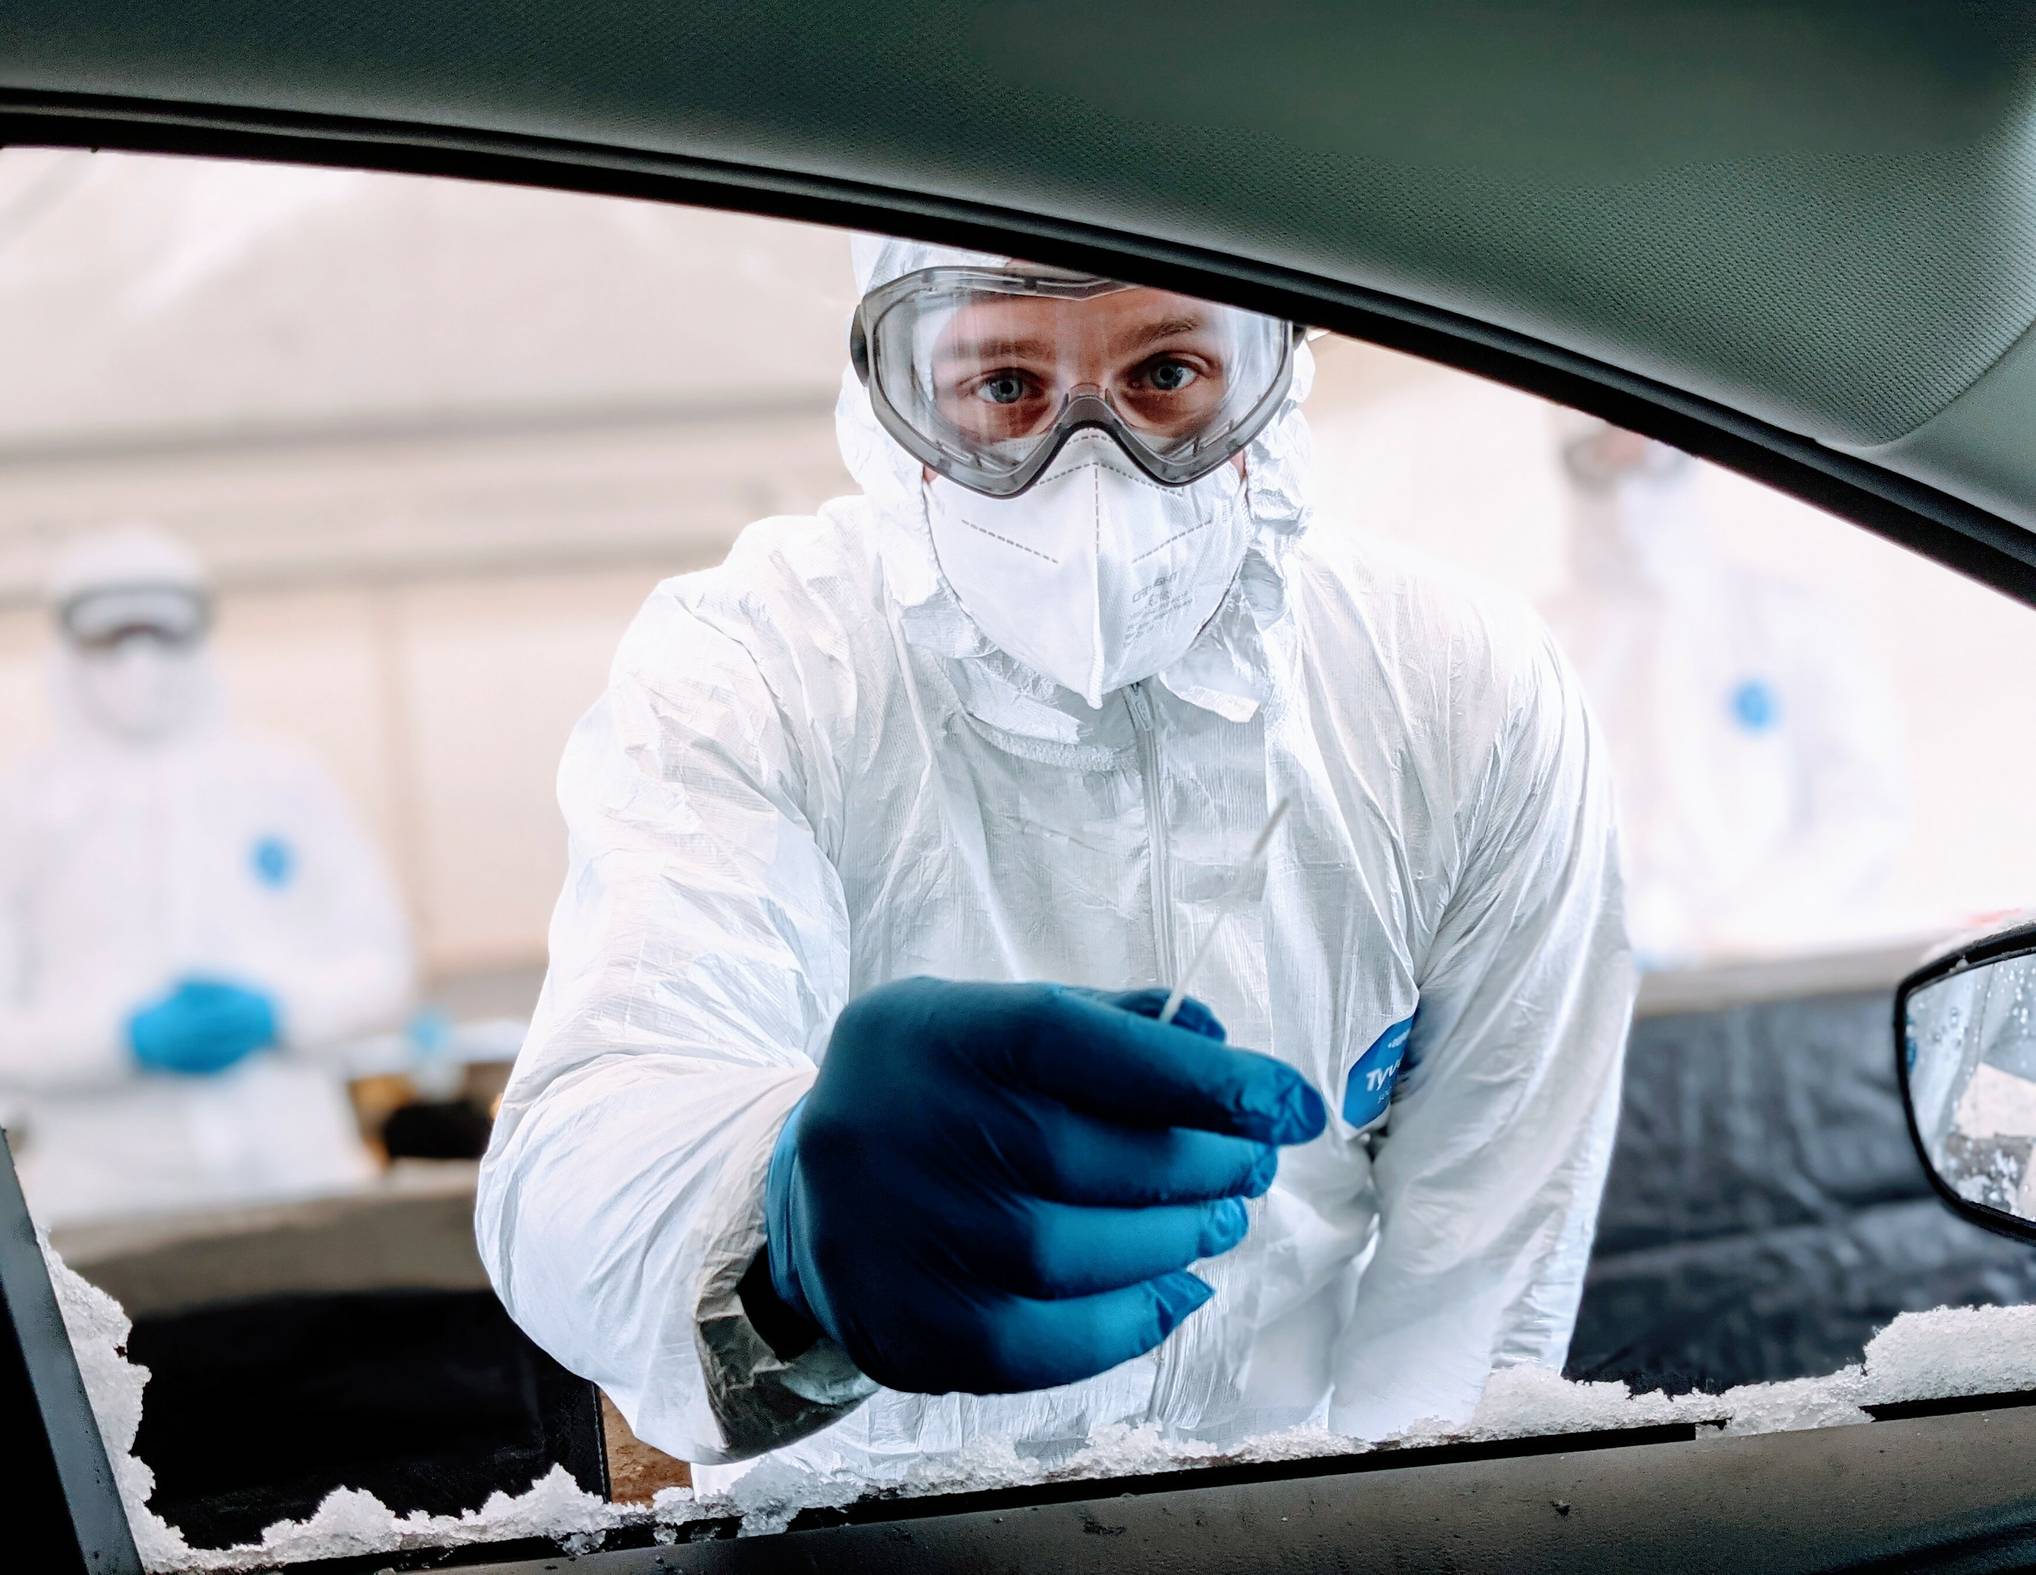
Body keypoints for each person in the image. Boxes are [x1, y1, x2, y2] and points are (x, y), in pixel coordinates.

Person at [476, 237, 1635, 1486]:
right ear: (896, 405)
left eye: (1167, 373)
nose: (1092, 478)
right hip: (860, 1549)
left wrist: (1406, 1541)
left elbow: (1483, 1262)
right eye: (1005, 387)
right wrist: (777, 1212)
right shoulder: (767, 669)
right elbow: (580, 1158)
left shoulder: (1454, 692)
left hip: (1307, 1522)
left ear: (1273, 376)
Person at [0, 525, 414, 1227]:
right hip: (102, 1203)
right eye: (111, 632)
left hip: (303, 1177)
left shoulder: (289, 783)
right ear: (66, 645)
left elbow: (384, 968)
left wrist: (283, 1010)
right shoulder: (5, 812)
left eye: (163, 627)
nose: (140, 658)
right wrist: (115, 1041)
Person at [1542, 418, 1906, 964]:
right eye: (1602, 460)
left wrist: (1750, 930)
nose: (1628, 491)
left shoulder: (1789, 625)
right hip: (1594, 980)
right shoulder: (1540, 649)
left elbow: (1865, 812)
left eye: (1646, 458)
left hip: (1769, 966)